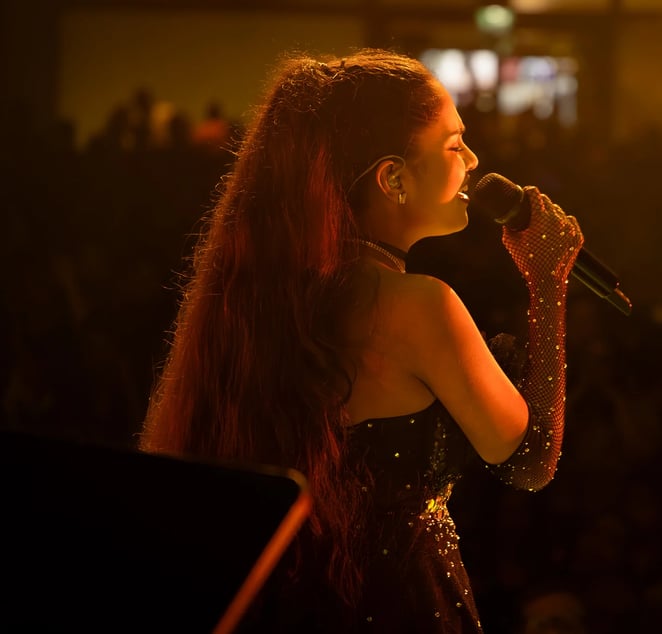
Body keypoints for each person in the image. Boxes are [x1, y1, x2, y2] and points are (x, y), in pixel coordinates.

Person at [138, 48, 583, 632]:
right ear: (393, 178)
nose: (475, 161)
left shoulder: (264, 304)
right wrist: (548, 284)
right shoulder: (417, 306)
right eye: (454, 145)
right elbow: (530, 458)